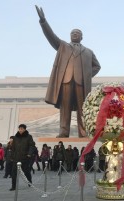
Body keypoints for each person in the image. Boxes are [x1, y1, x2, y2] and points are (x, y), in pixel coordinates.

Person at [35, 5, 101, 138]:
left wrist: (86, 76)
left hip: (81, 82)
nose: (74, 34)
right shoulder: (63, 46)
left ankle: (83, 132)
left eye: (77, 33)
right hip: (66, 80)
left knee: (83, 108)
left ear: (82, 37)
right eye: (72, 33)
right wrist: (43, 21)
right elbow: (51, 36)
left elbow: (97, 66)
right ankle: (64, 131)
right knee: (65, 108)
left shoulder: (88, 52)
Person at [9, 124, 35, 191]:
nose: (20, 130)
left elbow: (31, 146)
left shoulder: (29, 137)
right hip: (16, 158)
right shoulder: (15, 137)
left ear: (25, 129)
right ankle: (13, 186)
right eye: (19, 128)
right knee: (13, 172)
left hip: (25, 157)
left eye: (22, 129)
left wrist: (29, 154)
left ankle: (29, 182)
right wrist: (12, 156)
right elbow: (13, 148)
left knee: (26, 172)